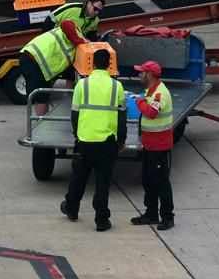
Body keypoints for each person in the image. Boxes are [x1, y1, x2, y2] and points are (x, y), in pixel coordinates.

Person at [61, 49, 126, 231]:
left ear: (92, 64)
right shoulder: (117, 87)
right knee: (103, 182)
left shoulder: (82, 85)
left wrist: (77, 134)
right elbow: (121, 117)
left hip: (85, 140)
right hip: (107, 142)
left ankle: (72, 209)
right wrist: (121, 140)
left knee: (78, 178)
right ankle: (101, 220)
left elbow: (74, 114)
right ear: (110, 64)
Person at [129, 60, 175, 231]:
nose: (139, 75)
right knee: (148, 180)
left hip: (159, 146)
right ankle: (151, 214)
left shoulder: (159, 94)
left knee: (161, 181)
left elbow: (151, 113)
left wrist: (139, 102)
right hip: (150, 145)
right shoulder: (150, 91)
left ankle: (167, 217)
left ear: (150, 75)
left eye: (142, 72)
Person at [17, 9, 90, 111]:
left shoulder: (77, 49)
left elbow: (69, 73)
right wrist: (81, 41)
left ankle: (43, 120)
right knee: (41, 96)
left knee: (43, 95)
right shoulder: (76, 32)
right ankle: (41, 123)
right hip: (33, 58)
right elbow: (66, 23)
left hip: (36, 61)